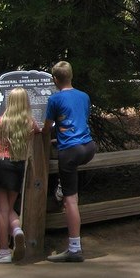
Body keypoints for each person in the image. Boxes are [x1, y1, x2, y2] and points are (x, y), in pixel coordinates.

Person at [43, 60, 97, 262]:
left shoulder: (55, 99)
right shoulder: (84, 96)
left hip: (70, 152)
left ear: (55, 79)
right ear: (71, 76)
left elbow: (47, 127)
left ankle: (74, 249)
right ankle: (61, 186)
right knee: (69, 176)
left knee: (70, 200)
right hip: (88, 147)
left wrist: (40, 131)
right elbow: (80, 120)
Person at [0, 88, 40, 264]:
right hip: (18, 165)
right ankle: (16, 230)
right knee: (9, 206)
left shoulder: (1, 121)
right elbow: (39, 131)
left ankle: (3, 251)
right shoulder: (29, 123)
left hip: (0, 163)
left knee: (1, 209)